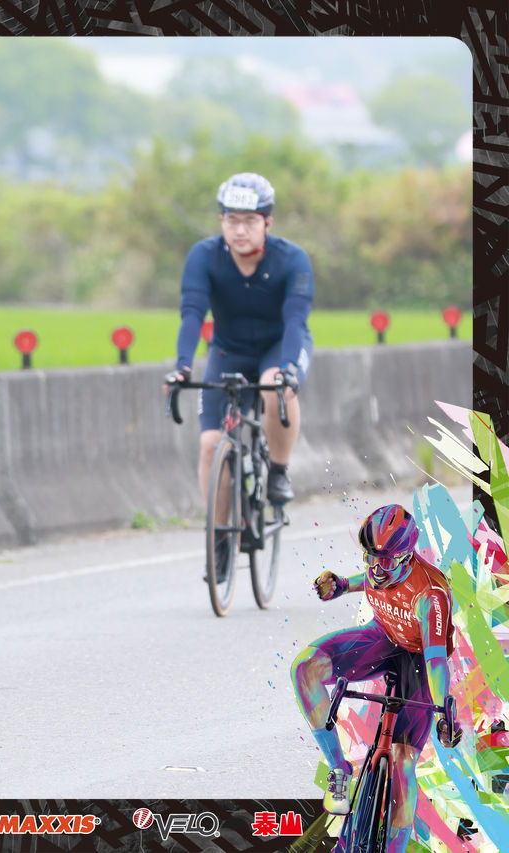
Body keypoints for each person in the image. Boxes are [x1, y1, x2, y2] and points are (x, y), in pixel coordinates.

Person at [163, 173, 313, 577]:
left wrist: (288, 371)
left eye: (249, 220)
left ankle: (278, 471)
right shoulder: (204, 256)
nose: (240, 230)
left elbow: (296, 319)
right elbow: (192, 313)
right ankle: (219, 540)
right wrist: (182, 365)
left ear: (267, 222)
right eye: (231, 220)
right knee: (210, 444)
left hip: (279, 346)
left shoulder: (292, 259)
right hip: (228, 350)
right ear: (221, 221)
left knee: (275, 389)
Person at [291, 504, 463, 853]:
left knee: (401, 764)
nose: (376, 569)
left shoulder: (430, 596)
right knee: (304, 669)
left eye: (386, 561)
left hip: (420, 661)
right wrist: (342, 586)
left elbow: (435, 661)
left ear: (407, 556)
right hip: (382, 637)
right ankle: (339, 769)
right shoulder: (381, 565)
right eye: (371, 558)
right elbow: (368, 579)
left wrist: (445, 712)